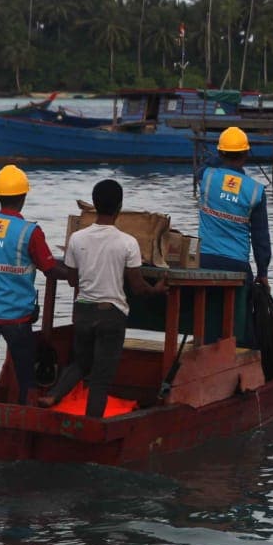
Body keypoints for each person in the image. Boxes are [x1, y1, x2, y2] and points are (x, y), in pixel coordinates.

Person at [42, 179, 167, 418]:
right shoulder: (127, 243)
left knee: (81, 363)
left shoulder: (77, 238)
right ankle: (91, 426)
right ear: (119, 206)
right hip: (111, 314)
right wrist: (157, 289)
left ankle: (53, 394)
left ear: (95, 205)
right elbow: (138, 287)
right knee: (100, 378)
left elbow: (71, 280)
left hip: (83, 312)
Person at [0, 165, 74, 404]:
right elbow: (50, 269)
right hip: (15, 315)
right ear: (23, 196)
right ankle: (24, 416)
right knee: (26, 374)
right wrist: (76, 274)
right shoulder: (30, 232)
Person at [197, 126, 271, 287]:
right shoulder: (256, 191)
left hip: (204, 260)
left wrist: (221, 155)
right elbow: (261, 238)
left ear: (220, 153)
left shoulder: (206, 177)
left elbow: (204, 165)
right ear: (246, 154)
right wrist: (263, 272)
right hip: (237, 265)